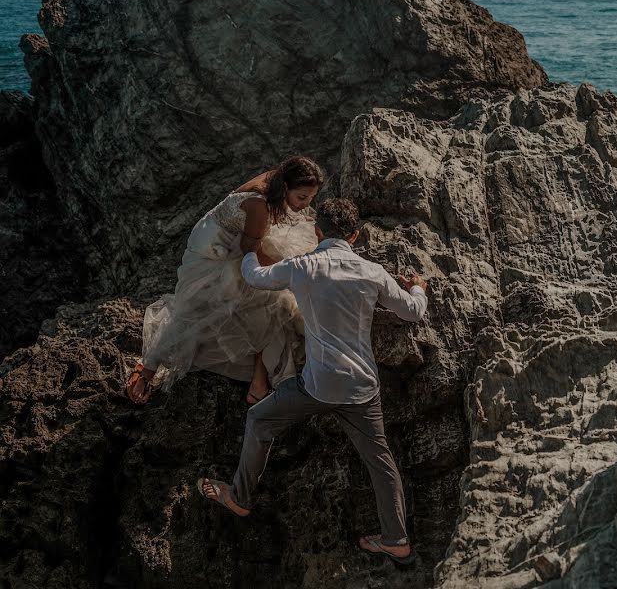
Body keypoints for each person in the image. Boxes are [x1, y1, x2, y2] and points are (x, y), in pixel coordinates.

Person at [196, 198, 428, 565]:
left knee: (259, 420)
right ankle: (397, 541)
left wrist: (251, 251)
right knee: (381, 463)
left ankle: (239, 497)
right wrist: (417, 287)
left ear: (317, 232)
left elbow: (255, 277)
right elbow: (412, 312)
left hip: (316, 386)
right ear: (355, 235)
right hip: (361, 390)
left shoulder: (304, 266)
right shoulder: (372, 272)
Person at [125, 156, 323, 406]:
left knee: (277, 299)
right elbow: (251, 249)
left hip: (236, 239)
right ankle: (148, 368)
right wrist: (289, 275)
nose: (305, 205)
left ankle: (259, 378)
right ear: (285, 188)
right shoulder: (260, 204)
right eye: (302, 198)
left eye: (311, 198)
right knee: (201, 309)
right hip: (216, 252)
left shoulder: (278, 179)